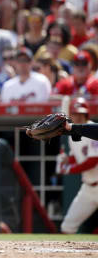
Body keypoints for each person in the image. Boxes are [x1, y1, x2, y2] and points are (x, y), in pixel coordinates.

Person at [57, 98, 98, 234]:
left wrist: (70, 169)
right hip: (88, 187)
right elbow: (77, 157)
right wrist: (66, 160)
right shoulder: (71, 135)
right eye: (75, 114)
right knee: (67, 227)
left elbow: (92, 161)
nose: (78, 116)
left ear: (86, 114)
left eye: (81, 113)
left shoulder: (92, 129)